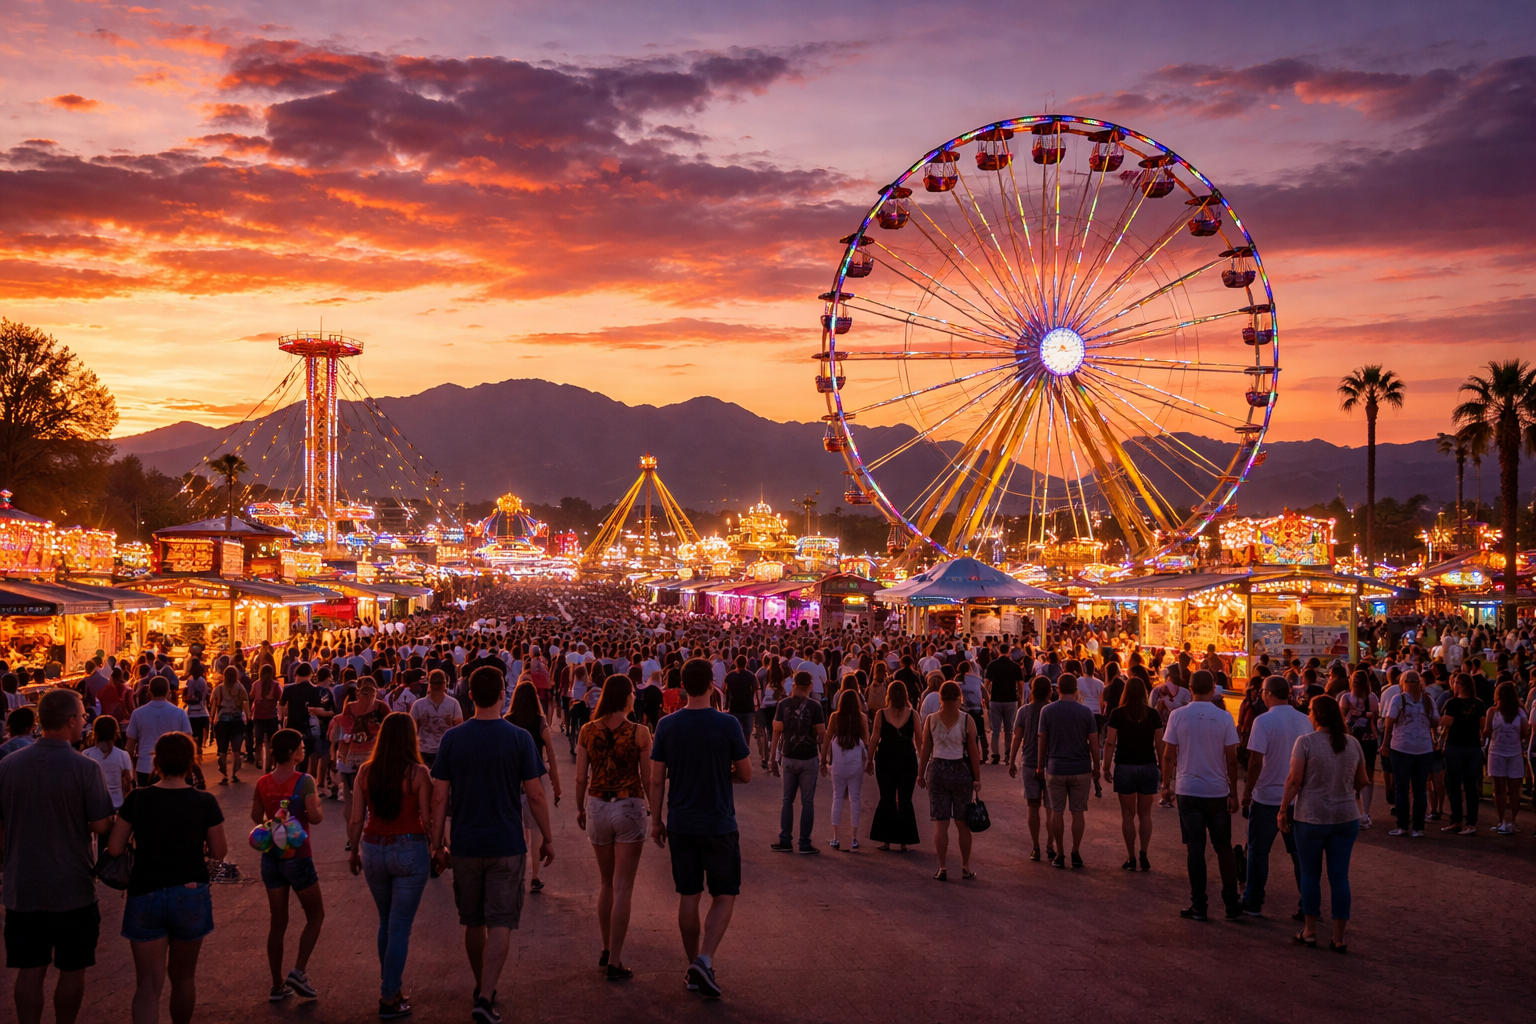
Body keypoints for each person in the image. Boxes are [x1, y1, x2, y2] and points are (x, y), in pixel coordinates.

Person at [430, 665, 553, 1024]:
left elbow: (439, 798)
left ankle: (481, 983)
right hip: (507, 842)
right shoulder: (518, 738)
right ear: (503, 694)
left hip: (465, 843)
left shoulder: (454, 739)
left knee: (473, 921)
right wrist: (547, 837)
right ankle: (486, 993)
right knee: (501, 920)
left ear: (470, 697)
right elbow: (535, 795)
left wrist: (437, 844)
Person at [0, 689, 114, 1024]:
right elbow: (100, 824)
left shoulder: (7, 765)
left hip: (22, 885)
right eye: (81, 716)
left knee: (29, 970)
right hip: (72, 886)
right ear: (69, 721)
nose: (84, 721)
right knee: (72, 969)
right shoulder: (86, 768)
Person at [648, 657, 751, 1000]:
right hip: (719, 820)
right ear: (712, 685)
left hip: (681, 821)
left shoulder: (666, 725)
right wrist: (724, 772)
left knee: (688, 894)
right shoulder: (728, 724)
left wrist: (656, 820)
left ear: (681, 687)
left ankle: (694, 967)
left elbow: (656, 779)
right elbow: (747, 772)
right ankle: (705, 960)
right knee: (724, 893)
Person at [108, 731, 228, 1024]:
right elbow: (219, 851)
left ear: (156, 761)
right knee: (184, 978)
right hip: (190, 889)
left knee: (148, 985)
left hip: (145, 890)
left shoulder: (138, 799)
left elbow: (114, 848)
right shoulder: (205, 802)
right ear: (192, 762)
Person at [349, 713, 434, 1018]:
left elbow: (357, 817)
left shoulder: (365, 772)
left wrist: (353, 852)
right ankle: (389, 996)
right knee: (399, 926)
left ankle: (392, 986)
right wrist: (438, 846)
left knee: (386, 922)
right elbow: (427, 817)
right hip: (408, 847)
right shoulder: (418, 773)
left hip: (373, 847)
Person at [574, 675, 652, 981]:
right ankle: (616, 960)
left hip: (597, 804)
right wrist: (657, 812)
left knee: (606, 883)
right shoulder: (640, 732)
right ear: (626, 698)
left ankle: (606, 947)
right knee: (623, 887)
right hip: (628, 803)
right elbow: (648, 778)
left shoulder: (587, 730)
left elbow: (581, 777)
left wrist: (579, 807)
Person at [1278, 695, 1367, 953]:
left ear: (1316, 715)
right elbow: (1362, 781)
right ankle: (1339, 937)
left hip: (1311, 817)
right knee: (1340, 877)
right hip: (1345, 816)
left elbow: (1294, 780)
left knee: (1310, 874)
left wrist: (1283, 809)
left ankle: (1309, 930)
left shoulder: (1305, 743)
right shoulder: (1352, 743)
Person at [1161, 670, 1241, 922]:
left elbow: (1168, 754)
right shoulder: (1224, 717)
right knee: (1223, 847)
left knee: (1195, 849)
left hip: (1188, 789)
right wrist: (1233, 792)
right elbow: (1231, 758)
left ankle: (1199, 904)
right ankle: (1231, 902)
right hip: (1217, 790)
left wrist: (1166, 784)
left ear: (1190, 688)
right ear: (1213, 688)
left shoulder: (1177, 715)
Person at [252, 728, 325, 1003]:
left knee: (278, 922)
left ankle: (276, 984)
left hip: (271, 855)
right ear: (291, 752)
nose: (303, 749)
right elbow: (315, 818)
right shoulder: (304, 780)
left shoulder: (263, 781)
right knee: (315, 915)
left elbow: (255, 816)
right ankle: (299, 971)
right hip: (298, 856)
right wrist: (312, 808)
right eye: (300, 747)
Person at [1240, 676, 1312, 919]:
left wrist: (1247, 793)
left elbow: (1255, 762)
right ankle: (1308, 905)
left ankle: (1253, 901)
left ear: (1268, 693)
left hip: (1267, 796)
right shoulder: (1304, 720)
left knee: (1258, 851)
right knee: (1299, 854)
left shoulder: (1264, 721)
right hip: (1297, 798)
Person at [917, 680, 982, 881]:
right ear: (959, 697)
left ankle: (943, 867)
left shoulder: (931, 719)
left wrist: (920, 773)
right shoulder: (966, 720)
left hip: (937, 770)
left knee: (941, 823)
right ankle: (965, 866)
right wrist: (977, 779)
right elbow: (973, 753)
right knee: (963, 824)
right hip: (960, 770)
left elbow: (925, 748)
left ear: (941, 697)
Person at [1102, 674, 1162, 871]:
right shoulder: (1152, 714)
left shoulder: (1118, 714)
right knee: (1146, 814)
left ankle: (1131, 857)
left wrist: (1105, 765)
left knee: (1128, 815)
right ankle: (1144, 853)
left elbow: (1110, 742)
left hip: (1125, 766)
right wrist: (1162, 767)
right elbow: (1160, 744)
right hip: (1147, 765)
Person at [1037, 674, 1099, 869]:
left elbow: (1042, 741)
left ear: (1058, 689)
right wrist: (1096, 767)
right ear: (1076, 690)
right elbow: (1094, 743)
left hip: (1056, 767)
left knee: (1057, 811)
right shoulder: (1086, 712)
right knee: (1078, 812)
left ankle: (1060, 853)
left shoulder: (1047, 711)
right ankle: (1076, 852)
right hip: (1080, 767)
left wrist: (1040, 765)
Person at [507, 681, 563, 892]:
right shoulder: (540, 722)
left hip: (512, 781)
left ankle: (516, 872)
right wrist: (556, 784)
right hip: (535, 778)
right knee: (536, 826)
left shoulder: (507, 721)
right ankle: (535, 875)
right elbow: (550, 754)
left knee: (517, 827)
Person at [769, 670, 826, 855]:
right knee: (807, 802)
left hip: (788, 756)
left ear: (794, 685)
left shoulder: (783, 704)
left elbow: (777, 732)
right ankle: (804, 843)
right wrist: (824, 758)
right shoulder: (815, 707)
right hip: (808, 758)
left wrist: (772, 758)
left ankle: (785, 839)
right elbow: (821, 735)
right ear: (810, 686)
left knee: (787, 800)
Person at [333, 679, 390, 851]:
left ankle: (352, 839)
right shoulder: (381, 707)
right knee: (375, 800)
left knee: (350, 801)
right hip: (373, 759)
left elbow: (345, 731)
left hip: (350, 758)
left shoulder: (350, 707)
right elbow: (391, 728)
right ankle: (374, 837)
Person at [866, 674, 920, 852]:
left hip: (886, 759)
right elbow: (919, 740)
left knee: (887, 798)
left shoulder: (882, 714)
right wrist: (923, 763)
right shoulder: (913, 714)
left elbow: (874, 738)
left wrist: (869, 759)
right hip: (907, 760)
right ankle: (905, 840)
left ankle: (886, 840)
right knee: (905, 799)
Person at [1382, 670, 1439, 837]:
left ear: (1403, 683)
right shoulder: (1427, 700)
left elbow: (1389, 722)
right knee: (1420, 789)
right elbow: (1436, 720)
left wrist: (1385, 743)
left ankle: (1403, 825)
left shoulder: (1398, 699)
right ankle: (1418, 828)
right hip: (1424, 748)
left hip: (1401, 747)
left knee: (1402, 788)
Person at [1007, 676, 1053, 861]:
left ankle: (1036, 847)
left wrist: (1011, 760)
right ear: (1050, 690)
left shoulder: (1024, 711)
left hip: (1029, 762)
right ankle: (1051, 845)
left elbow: (1017, 737)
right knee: (1051, 808)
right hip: (1051, 764)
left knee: (1032, 806)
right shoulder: (1053, 710)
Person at [1437, 674, 1486, 835]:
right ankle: (1471, 821)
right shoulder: (1478, 704)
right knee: (1471, 785)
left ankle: (1457, 819)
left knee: (1454, 784)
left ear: (1461, 685)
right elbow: (1483, 725)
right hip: (1472, 746)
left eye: (1456, 682)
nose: (1453, 684)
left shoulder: (1453, 703)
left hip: (1455, 746)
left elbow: (1446, 722)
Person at [822, 689, 869, 851]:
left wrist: (823, 761)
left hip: (839, 759)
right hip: (855, 758)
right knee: (855, 798)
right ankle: (854, 837)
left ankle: (836, 837)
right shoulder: (861, 718)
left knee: (837, 796)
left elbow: (827, 738)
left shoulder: (835, 717)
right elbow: (866, 739)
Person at [126, 676, 192, 789]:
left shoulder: (138, 714)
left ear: (149, 691)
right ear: (168, 692)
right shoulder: (180, 713)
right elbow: (188, 743)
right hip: (174, 768)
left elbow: (129, 747)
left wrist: (130, 770)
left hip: (145, 766)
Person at [1483, 681, 1529, 835]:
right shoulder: (1521, 713)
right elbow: (1524, 733)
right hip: (1515, 753)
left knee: (1499, 790)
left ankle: (1501, 819)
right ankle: (1513, 821)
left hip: (1496, 752)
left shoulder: (1492, 712)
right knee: (1514, 791)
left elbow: (1487, 731)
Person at [1338, 672, 1379, 826]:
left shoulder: (1372, 698)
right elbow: (1343, 717)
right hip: (1351, 737)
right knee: (1349, 773)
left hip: (1367, 739)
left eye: (1358, 682)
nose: (1356, 684)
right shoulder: (1346, 697)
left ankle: (1365, 813)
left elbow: (1375, 717)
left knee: (1367, 776)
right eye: (1354, 681)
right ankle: (1354, 812)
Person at [409, 668, 463, 770]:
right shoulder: (453, 703)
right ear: (445, 684)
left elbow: (412, 730)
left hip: (424, 751)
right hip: (446, 750)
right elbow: (459, 729)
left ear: (429, 684)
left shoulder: (418, 704)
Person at [85, 715, 134, 811]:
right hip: (119, 804)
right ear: (115, 732)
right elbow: (128, 782)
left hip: (95, 806)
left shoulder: (87, 754)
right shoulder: (123, 755)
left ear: (95, 732)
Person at [208, 666, 248, 785]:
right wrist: (248, 718)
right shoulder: (240, 688)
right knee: (236, 750)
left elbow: (213, 705)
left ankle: (224, 775)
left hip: (222, 722)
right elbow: (245, 704)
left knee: (223, 751)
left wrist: (212, 719)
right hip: (237, 721)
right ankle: (234, 774)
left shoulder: (218, 689)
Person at [984, 648, 1023, 766]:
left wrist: (987, 698)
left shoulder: (992, 665)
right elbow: (1020, 684)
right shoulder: (1015, 666)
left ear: (999, 652)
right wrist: (1020, 697)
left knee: (995, 730)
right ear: (1009, 653)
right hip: (1011, 700)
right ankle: (1007, 754)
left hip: (995, 700)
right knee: (1009, 729)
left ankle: (995, 754)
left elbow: (986, 684)